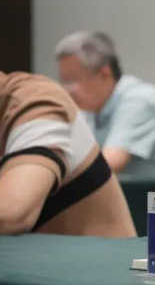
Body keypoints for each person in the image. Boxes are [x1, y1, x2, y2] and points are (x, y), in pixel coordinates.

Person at [0, 70, 136, 236]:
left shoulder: (38, 100)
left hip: (98, 252)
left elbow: (10, 214)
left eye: (73, 81)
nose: (72, 90)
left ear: (104, 74)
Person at [55, 31, 155, 192]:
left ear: (104, 74)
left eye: (72, 80)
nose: (66, 90)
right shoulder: (92, 108)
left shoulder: (139, 100)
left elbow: (107, 164)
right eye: (63, 81)